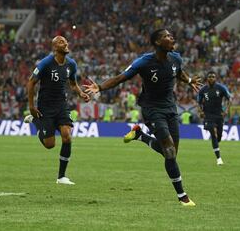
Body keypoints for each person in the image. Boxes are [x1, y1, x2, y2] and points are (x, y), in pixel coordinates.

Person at [85, 29, 202, 207]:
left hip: (170, 108)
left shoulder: (175, 58)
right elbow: (120, 78)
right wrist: (100, 88)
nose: (172, 38)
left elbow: (179, 72)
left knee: (171, 153)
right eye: (167, 36)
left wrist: (190, 80)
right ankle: (182, 196)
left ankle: (140, 136)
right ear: (157, 42)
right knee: (169, 151)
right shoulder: (144, 62)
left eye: (171, 35)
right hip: (152, 109)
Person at [26, 36, 90, 185]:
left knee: (67, 136)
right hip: (45, 107)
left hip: (61, 105)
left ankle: (61, 176)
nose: (65, 43)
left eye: (66, 41)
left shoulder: (71, 64)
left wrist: (81, 93)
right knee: (50, 145)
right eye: (61, 42)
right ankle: (36, 121)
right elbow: (31, 82)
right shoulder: (45, 63)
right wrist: (31, 106)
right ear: (55, 48)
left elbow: (73, 84)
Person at [197, 71, 231, 166]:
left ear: (215, 78)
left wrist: (226, 110)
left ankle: (216, 143)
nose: (211, 78)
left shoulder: (221, 88)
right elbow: (198, 102)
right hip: (208, 116)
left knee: (218, 136)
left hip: (219, 115)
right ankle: (219, 158)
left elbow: (229, 98)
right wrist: (200, 111)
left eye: (213, 77)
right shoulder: (203, 90)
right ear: (207, 78)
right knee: (213, 133)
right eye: (210, 77)